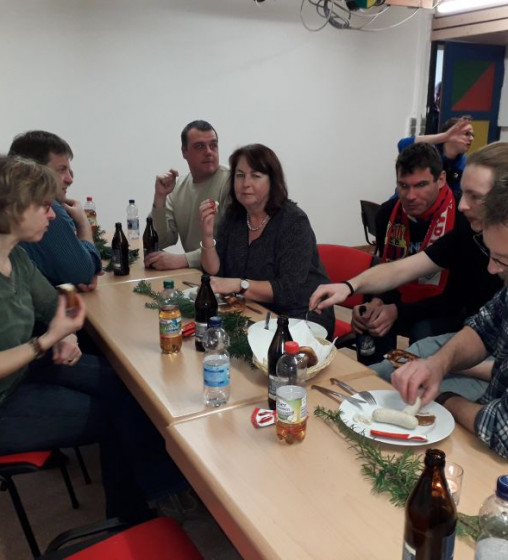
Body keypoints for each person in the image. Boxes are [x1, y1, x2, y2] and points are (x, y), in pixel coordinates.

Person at [0, 156, 189, 520]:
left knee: (127, 387)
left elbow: (60, 299)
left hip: (26, 368)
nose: (52, 215)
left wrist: (66, 335)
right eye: (43, 206)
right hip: (5, 401)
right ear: (13, 207)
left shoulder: (17, 257)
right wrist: (46, 340)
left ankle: (161, 489)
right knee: (119, 414)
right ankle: (131, 514)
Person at [310, 142, 508, 399]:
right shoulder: (468, 231)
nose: (462, 205)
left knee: (410, 393)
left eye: (475, 196)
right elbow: (402, 269)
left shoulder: (460, 221)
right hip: (468, 343)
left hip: (474, 352)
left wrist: (444, 373)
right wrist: (349, 286)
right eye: (404, 186)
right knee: (378, 374)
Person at [391, 174, 508, 459]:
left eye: (502, 260)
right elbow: (484, 327)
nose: (492, 269)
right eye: (491, 254)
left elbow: (500, 429)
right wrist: (438, 365)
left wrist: (445, 400)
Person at [199, 143, 335, 337]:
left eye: (256, 176)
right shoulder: (234, 216)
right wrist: (206, 235)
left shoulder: (293, 221)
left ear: (272, 181)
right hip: (255, 310)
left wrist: (239, 285)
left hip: (301, 315)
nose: (245, 183)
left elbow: (288, 290)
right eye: (240, 175)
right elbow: (215, 272)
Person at [344, 143, 459, 355]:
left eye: (421, 185)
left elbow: (458, 298)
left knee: (423, 332)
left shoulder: (461, 216)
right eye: (403, 186)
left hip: (447, 305)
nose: (410, 196)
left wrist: (398, 311)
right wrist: (377, 302)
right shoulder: (387, 214)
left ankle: (418, 376)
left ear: (441, 179)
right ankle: (372, 374)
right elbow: (387, 271)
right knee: (368, 317)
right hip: (403, 298)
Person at [8, 130, 102, 291]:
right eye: (61, 170)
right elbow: (83, 274)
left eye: (69, 171)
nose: (70, 179)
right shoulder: (48, 210)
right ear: (36, 171)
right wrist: (83, 224)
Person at [147, 120, 230, 270]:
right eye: (200, 146)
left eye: (213, 145)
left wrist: (183, 259)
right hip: (194, 274)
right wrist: (160, 198)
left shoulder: (232, 182)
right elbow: (162, 240)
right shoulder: (177, 187)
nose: (209, 152)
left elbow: (232, 244)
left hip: (225, 275)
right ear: (184, 152)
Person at [397, 115, 474, 194]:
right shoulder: (428, 152)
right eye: (466, 134)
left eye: (472, 135)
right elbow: (402, 145)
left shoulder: (465, 164)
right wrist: (445, 137)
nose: (471, 138)